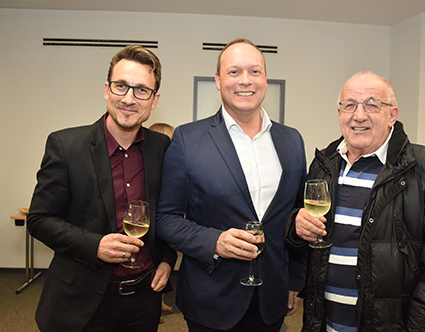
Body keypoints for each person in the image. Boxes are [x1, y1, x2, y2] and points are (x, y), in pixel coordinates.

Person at [285, 71, 425, 332]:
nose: (359, 115)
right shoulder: (325, 165)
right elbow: (302, 232)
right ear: (339, 112)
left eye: (372, 105)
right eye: (350, 105)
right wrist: (296, 227)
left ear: (393, 114)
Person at [156, 38, 306, 332]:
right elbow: (165, 219)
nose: (245, 81)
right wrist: (215, 242)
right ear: (218, 80)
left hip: (272, 298)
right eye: (234, 72)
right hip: (211, 299)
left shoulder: (292, 140)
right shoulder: (188, 140)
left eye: (254, 71)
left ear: (265, 78)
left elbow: (297, 217)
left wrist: (295, 281)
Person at [27, 45, 177, 332]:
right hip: (80, 302)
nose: (129, 99)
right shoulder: (66, 146)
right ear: (107, 90)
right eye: (121, 86)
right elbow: (39, 220)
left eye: (142, 90)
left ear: (154, 100)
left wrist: (167, 261)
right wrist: (94, 245)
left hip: (143, 302)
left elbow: (168, 213)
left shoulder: (163, 149)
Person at [148, 122, 176, 323]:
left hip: (167, 223)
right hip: (153, 224)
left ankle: (160, 302)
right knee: (155, 262)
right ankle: (153, 306)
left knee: (165, 261)